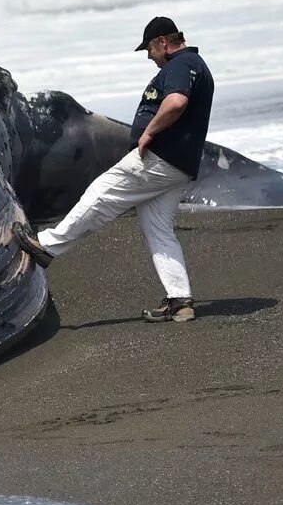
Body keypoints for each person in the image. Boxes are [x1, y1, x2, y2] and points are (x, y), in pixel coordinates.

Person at [16, 17, 215, 323]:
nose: (149, 56)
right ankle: (180, 300)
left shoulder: (181, 64)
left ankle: (47, 247)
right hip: (181, 166)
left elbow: (175, 102)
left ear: (163, 42)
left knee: (101, 193)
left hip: (160, 158)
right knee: (158, 231)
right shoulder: (195, 65)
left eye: (149, 48)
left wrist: (149, 132)